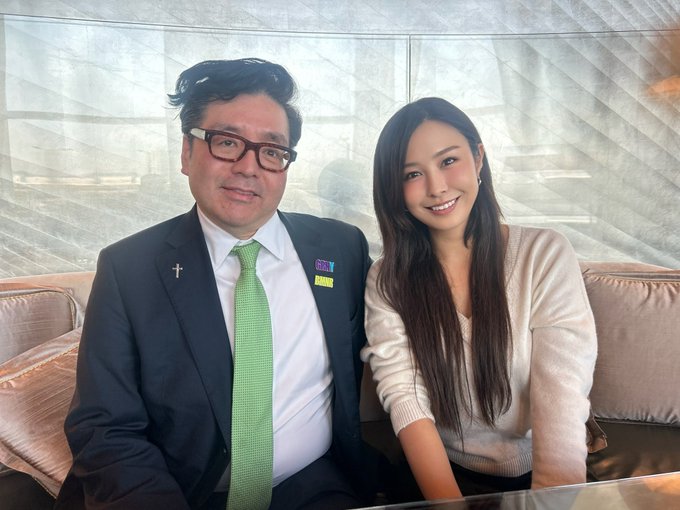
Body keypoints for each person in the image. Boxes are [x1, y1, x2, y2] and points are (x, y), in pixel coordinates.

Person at [55, 58, 379, 510]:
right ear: (187, 153)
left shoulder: (341, 249)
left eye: (272, 151)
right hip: (182, 494)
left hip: (313, 486)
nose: (249, 167)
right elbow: (105, 428)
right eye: (227, 142)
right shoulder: (129, 270)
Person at [361, 97, 598, 500]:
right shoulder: (388, 279)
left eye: (448, 161)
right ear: (394, 190)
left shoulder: (543, 254)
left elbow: (560, 391)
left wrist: (550, 501)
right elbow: (405, 396)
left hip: (539, 470)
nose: (437, 187)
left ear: (478, 158)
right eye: (412, 174)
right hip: (440, 474)